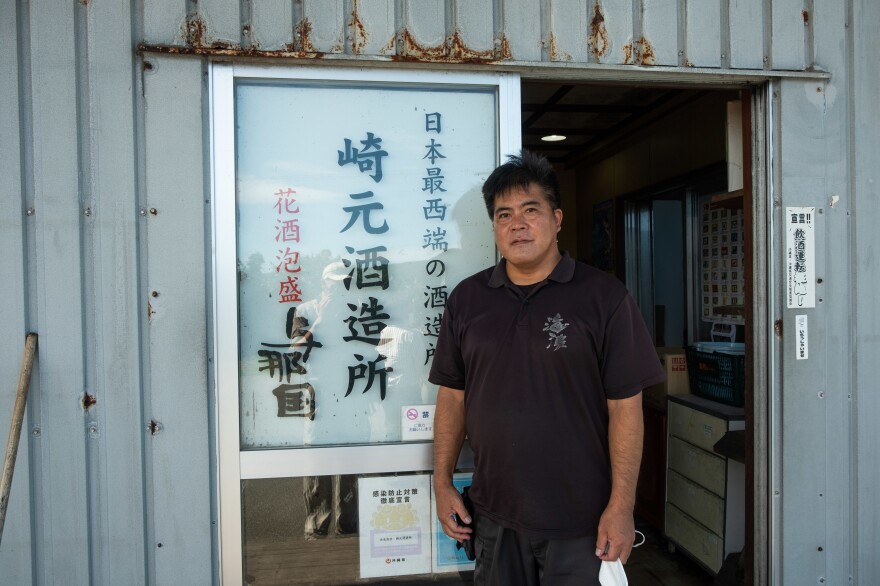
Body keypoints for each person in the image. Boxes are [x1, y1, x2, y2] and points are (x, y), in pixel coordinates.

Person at [429, 150, 665, 585]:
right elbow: (452, 397)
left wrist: (621, 505)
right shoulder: (467, 300)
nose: (517, 224)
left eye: (530, 210)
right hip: (495, 517)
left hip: (582, 523)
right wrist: (441, 483)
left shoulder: (604, 298)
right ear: (495, 229)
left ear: (557, 219)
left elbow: (625, 410)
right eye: (504, 215)